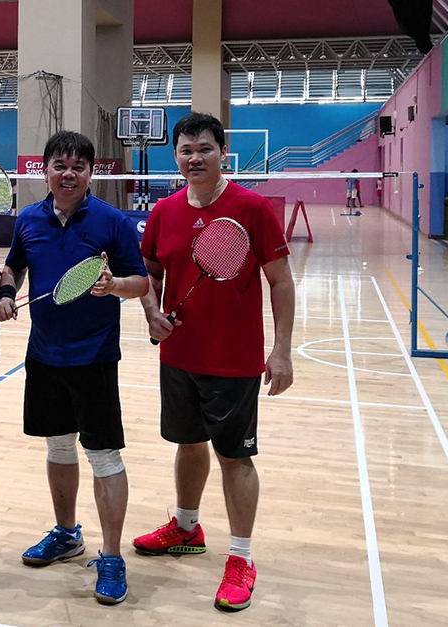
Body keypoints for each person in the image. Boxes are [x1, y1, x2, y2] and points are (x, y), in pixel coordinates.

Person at [135, 112, 295, 613]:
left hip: (234, 359)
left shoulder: (250, 208)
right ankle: (186, 528)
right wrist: (152, 312)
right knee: (187, 443)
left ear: (222, 152)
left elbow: (282, 282)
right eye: (186, 150)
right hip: (180, 355)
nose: (194, 158)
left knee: (234, 456)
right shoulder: (163, 211)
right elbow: (150, 271)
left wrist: (282, 350)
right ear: (175, 155)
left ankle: (242, 557)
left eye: (204, 148)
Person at [0, 131, 149, 606]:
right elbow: (13, 267)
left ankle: (113, 556)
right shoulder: (28, 221)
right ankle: (66, 534)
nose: (68, 173)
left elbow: (140, 282)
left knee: (103, 456)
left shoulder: (112, 222)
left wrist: (114, 284)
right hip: (44, 355)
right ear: (45, 170)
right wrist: (3, 293)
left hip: (94, 356)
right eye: (59, 165)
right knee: (58, 446)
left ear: (90, 173)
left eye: (78, 166)